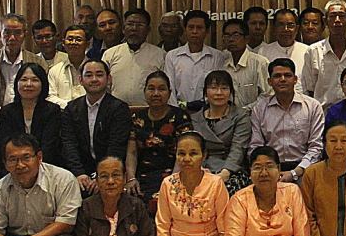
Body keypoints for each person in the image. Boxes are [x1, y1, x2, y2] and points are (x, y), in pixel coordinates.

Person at [61, 59, 133, 194]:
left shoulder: (118, 108)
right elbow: (69, 144)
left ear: (109, 79)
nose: (94, 79)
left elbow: (116, 146)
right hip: (80, 173)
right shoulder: (71, 108)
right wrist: (79, 173)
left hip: (110, 171)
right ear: (81, 79)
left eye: (99, 75)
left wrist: (102, 175)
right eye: (88, 75)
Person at [250, 58, 326, 183]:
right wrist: (269, 170)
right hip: (270, 169)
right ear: (269, 81)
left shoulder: (312, 106)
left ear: (295, 79)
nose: (283, 79)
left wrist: (295, 172)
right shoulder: (260, 109)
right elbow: (256, 146)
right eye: (277, 76)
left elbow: (316, 147)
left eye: (288, 75)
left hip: (304, 168)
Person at [127, 70, 192, 207]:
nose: (156, 93)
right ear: (144, 91)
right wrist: (131, 177)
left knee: (161, 199)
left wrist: (173, 181)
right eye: (151, 89)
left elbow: (183, 153)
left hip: (171, 173)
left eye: (161, 89)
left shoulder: (180, 117)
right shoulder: (137, 118)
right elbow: (132, 152)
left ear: (169, 93)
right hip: (142, 173)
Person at [191, 69, 253, 194]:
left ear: (230, 91)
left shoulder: (240, 116)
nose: (219, 93)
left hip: (231, 169)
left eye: (224, 88)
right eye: (213, 88)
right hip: (201, 168)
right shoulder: (195, 119)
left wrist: (225, 172)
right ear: (205, 91)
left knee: (224, 191)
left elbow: (238, 148)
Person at [0, 13, 46, 107]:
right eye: (7, 32)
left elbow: (45, 93)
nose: (12, 37)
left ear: (25, 35)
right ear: (0, 35)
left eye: (17, 33)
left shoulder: (37, 62)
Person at [0, 62, 63, 168]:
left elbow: (49, 147)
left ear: (43, 84)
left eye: (34, 80)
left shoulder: (52, 111)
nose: (28, 84)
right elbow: (5, 144)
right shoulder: (7, 111)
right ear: (16, 84)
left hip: (45, 166)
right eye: (23, 80)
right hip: (15, 166)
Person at [302, 0, 346, 110]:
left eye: (341, 16)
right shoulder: (313, 51)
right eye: (332, 16)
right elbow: (309, 89)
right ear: (325, 20)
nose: (337, 20)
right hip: (323, 115)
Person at [104, 8, 166, 108]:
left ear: (148, 30)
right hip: (116, 113)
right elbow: (104, 87)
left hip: (149, 112)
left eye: (140, 25)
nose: (134, 28)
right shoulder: (110, 54)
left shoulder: (160, 55)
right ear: (123, 28)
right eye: (130, 24)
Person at [165, 10, 225, 111]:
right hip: (178, 112)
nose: (194, 32)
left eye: (199, 28)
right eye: (191, 27)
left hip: (209, 112)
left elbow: (218, 88)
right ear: (185, 30)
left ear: (207, 31)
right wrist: (177, 112)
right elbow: (169, 87)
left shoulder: (217, 56)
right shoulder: (172, 56)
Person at [219, 18, 269, 108]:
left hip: (255, 117)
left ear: (247, 39)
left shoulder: (260, 63)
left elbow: (267, 96)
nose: (231, 39)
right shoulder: (223, 67)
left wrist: (244, 112)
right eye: (227, 35)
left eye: (236, 35)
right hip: (229, 118)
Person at [259, 8, 309, 91]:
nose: (286, 29)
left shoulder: (307, 51)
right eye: (281, 25)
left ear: (297, 29)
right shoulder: (263, 52)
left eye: (290, 25)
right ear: (274, 28)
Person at [48, 24, 90, 107]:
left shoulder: (95, 70)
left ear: (87, 44)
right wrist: (71, 107)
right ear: (63, 43)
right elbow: (50, 97)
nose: (73, 43)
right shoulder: (55, 70)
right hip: (62, 115)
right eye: (70, 39)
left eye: (78, 39)